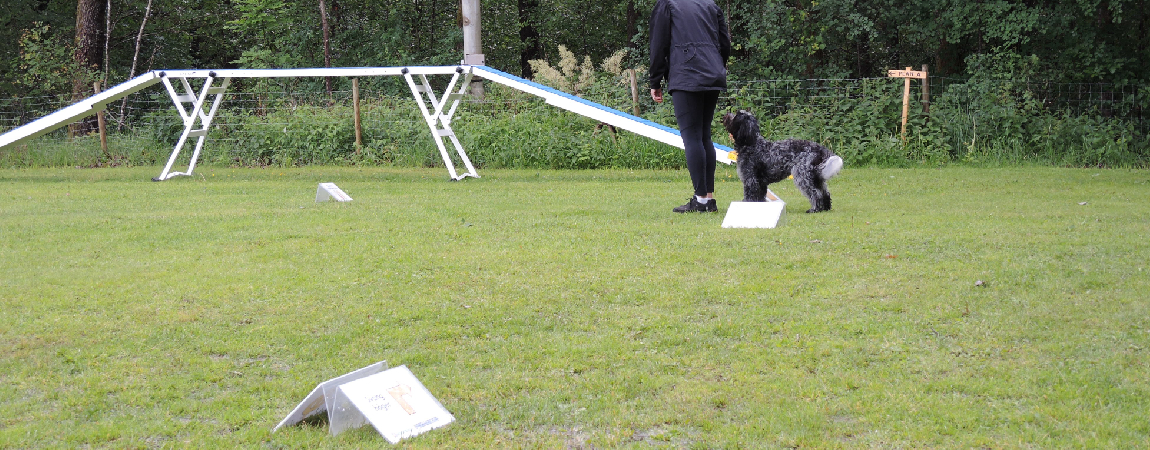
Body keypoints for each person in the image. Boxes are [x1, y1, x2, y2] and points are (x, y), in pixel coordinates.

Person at [649, 0, 731, 213]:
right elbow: (725, 42)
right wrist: (717, 65)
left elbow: (659, 44)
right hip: (713, 73)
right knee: (704, 136)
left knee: (692, 137)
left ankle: (701, 199)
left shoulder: (668, 4)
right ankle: (708, 198)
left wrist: (655, 81)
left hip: (686, 74)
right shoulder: (710, 4)